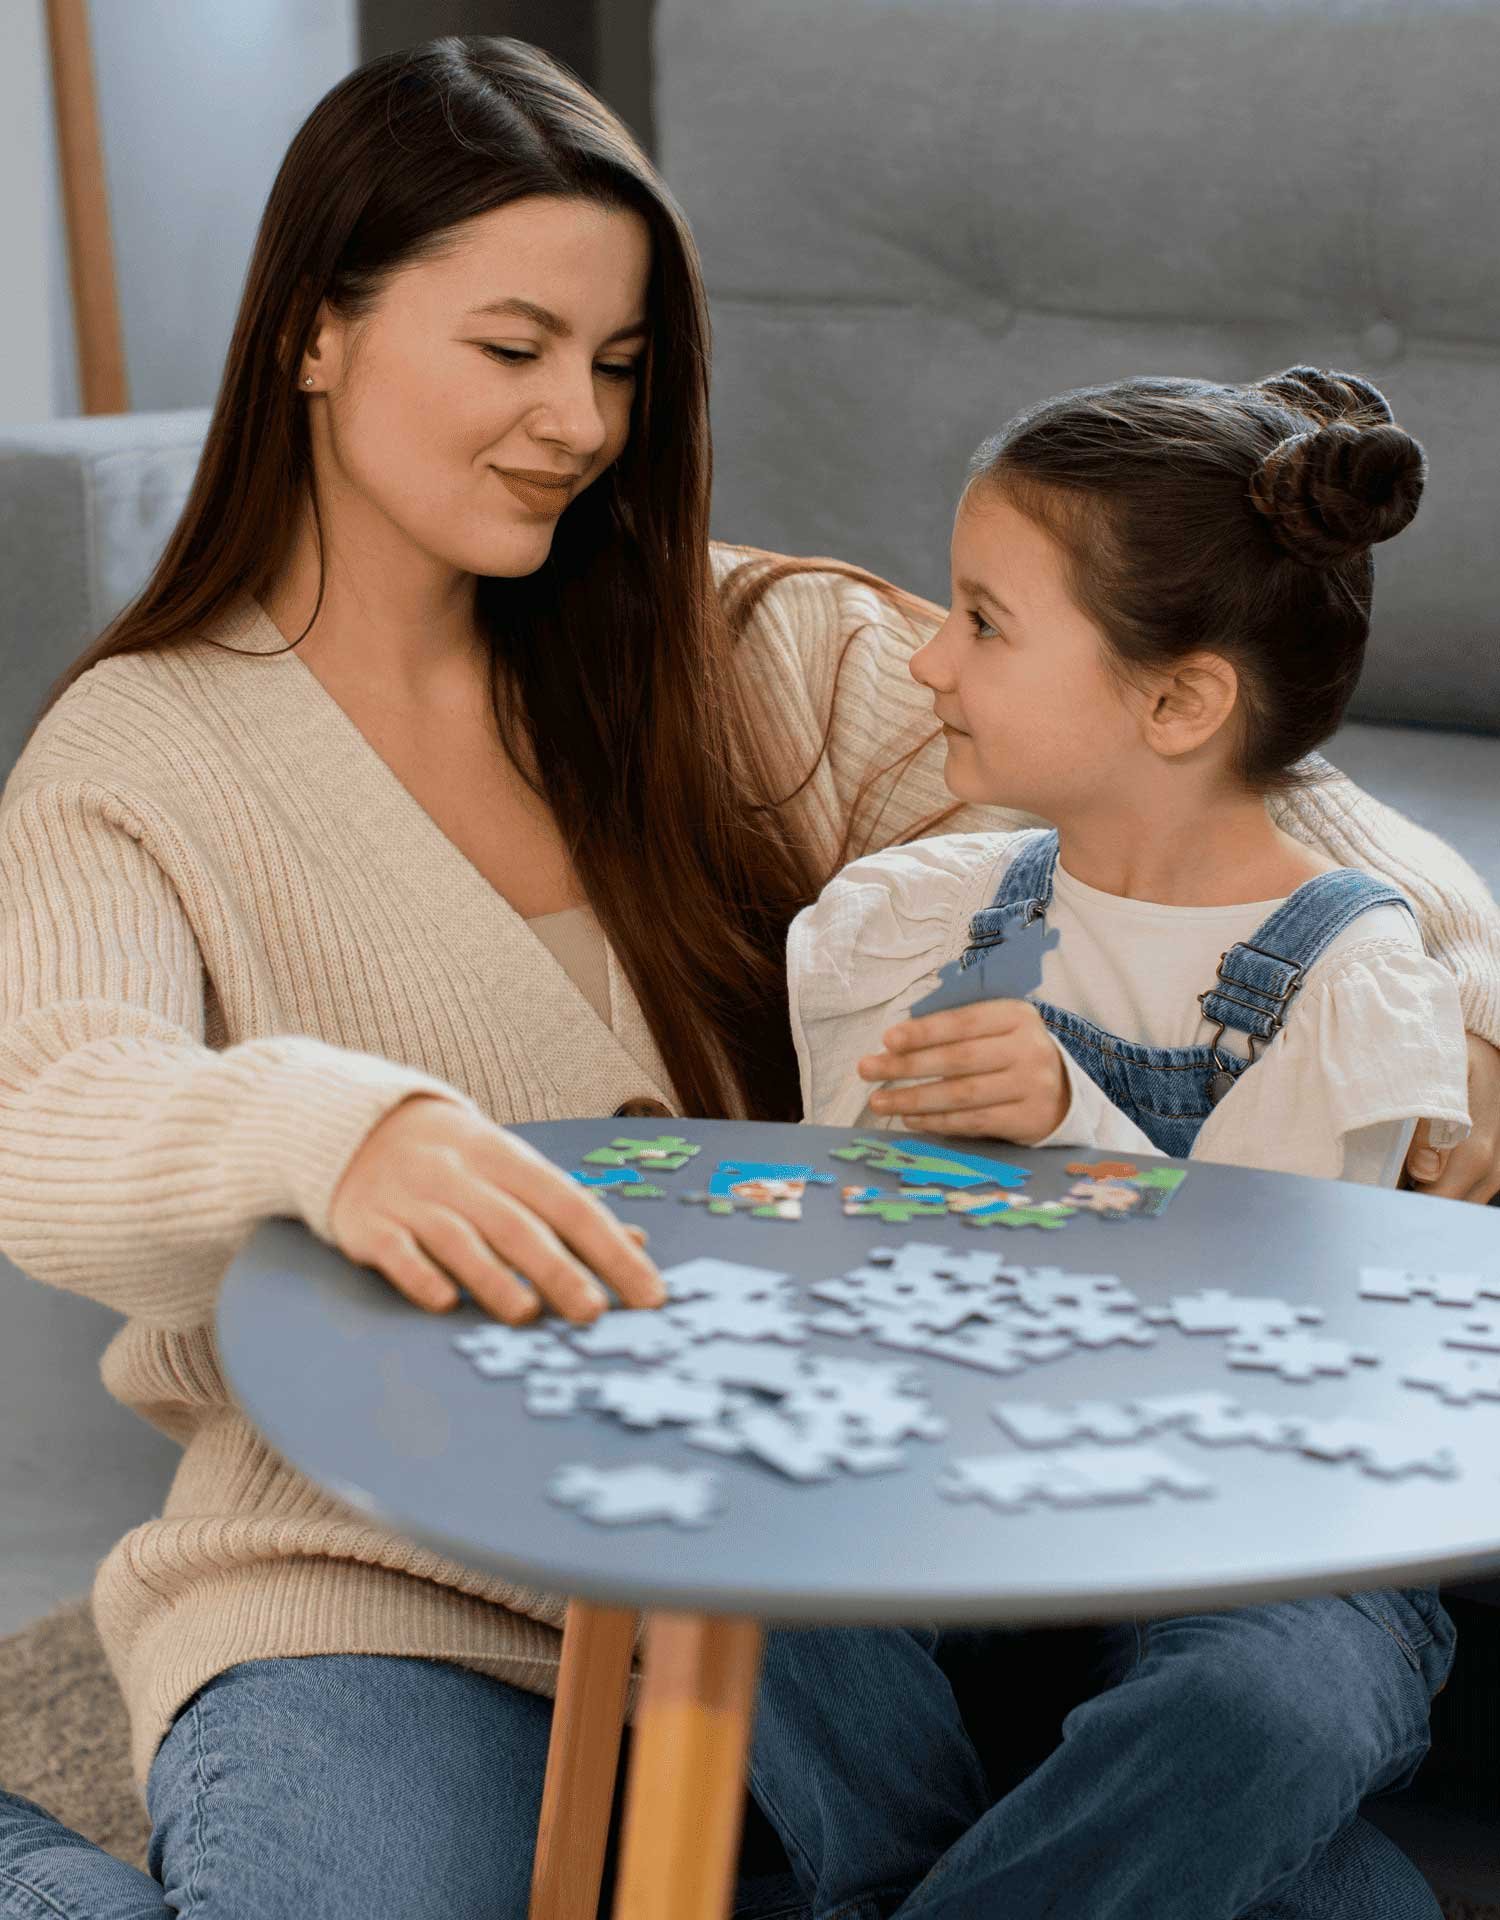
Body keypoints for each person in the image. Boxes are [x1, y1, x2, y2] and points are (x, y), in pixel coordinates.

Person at [0, 34, 1496, 1918]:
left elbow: (1209, 773)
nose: (580, 422)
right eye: (512, 347)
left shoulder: (747, 647)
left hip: (835, 1588)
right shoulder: (147, 749)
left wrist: (1460, 993)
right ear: (313, 329)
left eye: (618, 366)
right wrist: (333, 1130)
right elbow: (48, 1103)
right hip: (387, 1572)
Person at [749, 369, 1477, 1919]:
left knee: (1274, 1715)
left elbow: (1264, 1346)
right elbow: (843, 1263)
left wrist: (1066, 1121)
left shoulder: (1353, 977)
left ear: (1177, 702)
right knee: (734, 1568)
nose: (927, 660)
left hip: (1266, 1543)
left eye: (984, 621)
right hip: (967, 1487)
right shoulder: (920, 918)